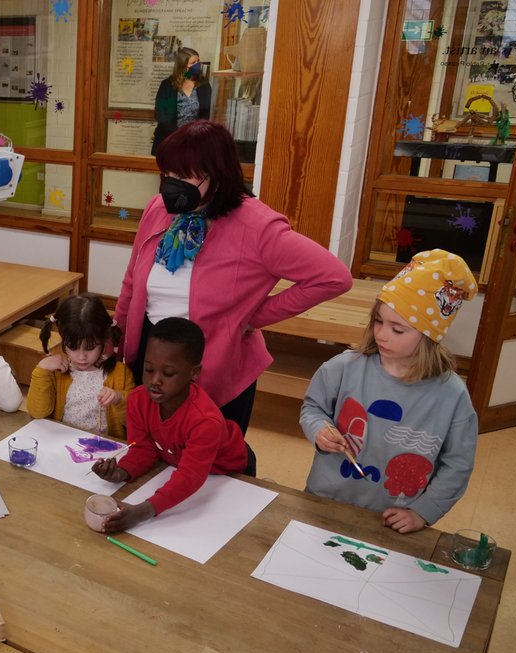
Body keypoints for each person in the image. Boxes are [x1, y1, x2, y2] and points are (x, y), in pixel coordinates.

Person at [114, 120, 352, 434]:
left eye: (183, 176)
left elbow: (333, 277)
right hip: (152, 350)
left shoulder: (258, 226)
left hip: (214, 358)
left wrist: (251, 316)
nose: (171, 185)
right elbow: (132, 279)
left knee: (208, 458)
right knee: (147, 446)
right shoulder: (159, 209)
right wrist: (116, 336)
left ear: (218, 173)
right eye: (167, 174)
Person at [300, 250, 478, 534]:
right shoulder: (345, 366)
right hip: (325, 499)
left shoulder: (452, 394)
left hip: (393, 517)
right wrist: (319, 429)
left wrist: (424, 512)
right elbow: (313, 408)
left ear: (429, 337)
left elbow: (458, 463)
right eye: (378, 321)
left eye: (398, 329)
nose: (381, 334)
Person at [92, 318, 251, 533]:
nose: (155, 380)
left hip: (228, 472)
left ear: (194, 373)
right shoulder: (139, 399)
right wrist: (122, 472)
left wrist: (143, 511)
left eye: (168, 374)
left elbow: (189, 477)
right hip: (176, 462)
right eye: (148, 369)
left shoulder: (205, 421)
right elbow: (142, 448)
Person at [27, 295, 136, 437]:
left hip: (102, 451)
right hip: (61, 444)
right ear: (63, 340)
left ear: (103, 340)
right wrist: (41, 369)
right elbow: (37, 412)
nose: (81, 356)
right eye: (73, 347)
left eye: (90, 348)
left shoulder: (121, 374)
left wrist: (120, 399)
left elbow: (134, 423)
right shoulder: (55, 371)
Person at [151, 47, 212, 153]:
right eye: (193, 62)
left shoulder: (204, 85)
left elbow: (207, 114)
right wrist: (179, 136)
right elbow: (160, 114)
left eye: (198, 61)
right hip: (170, 141)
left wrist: (194, 136)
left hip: (195, 143)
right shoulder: (167, 85)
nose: (197, 65)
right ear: (183, 66)